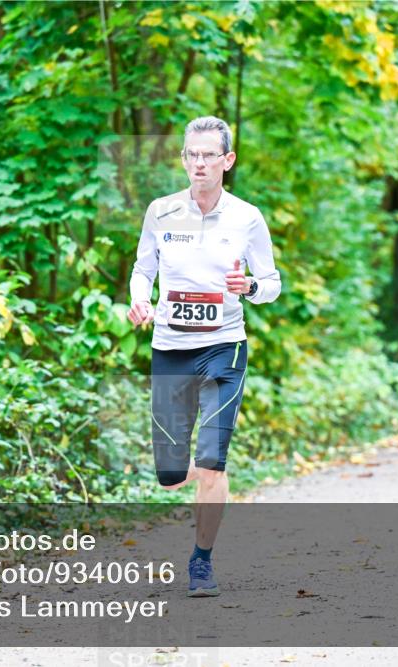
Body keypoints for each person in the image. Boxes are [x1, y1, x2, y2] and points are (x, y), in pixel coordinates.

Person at [126, 116, 280, 597]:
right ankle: (206, 471)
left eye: (208, 155)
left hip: (223, 348)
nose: (198, 163)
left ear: (227, 161)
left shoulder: (247, 217)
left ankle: (201, 561)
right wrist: (140, 299)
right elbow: (142, 268)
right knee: (171, 475)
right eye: (191, 154)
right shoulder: (161, 211)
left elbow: (271, 284)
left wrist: (251, 286)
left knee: (211, 462)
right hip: (170, 347)